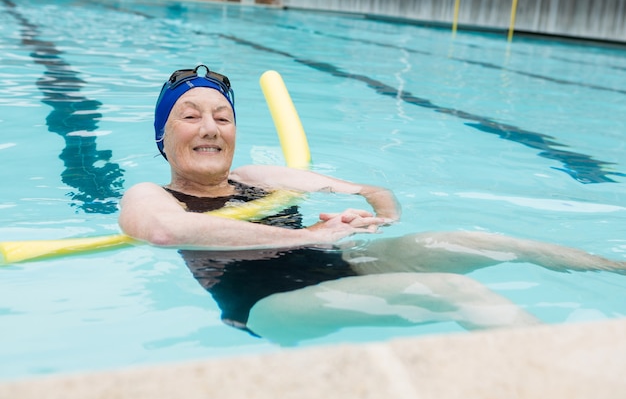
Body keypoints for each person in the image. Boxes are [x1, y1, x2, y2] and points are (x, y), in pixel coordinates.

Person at [119, 65, 625, 343]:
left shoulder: (258, 177)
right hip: (263, 306)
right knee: (452, 291)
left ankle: (615, 267)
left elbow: (369, 190)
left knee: (473, 241)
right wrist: (309, 236)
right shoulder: (152, 195)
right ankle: (564, 372)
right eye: (190, 116)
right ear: (163, 138)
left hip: (335, 263)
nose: (210, 127)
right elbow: (166, 232)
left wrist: (376, 218)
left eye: (222, 118)